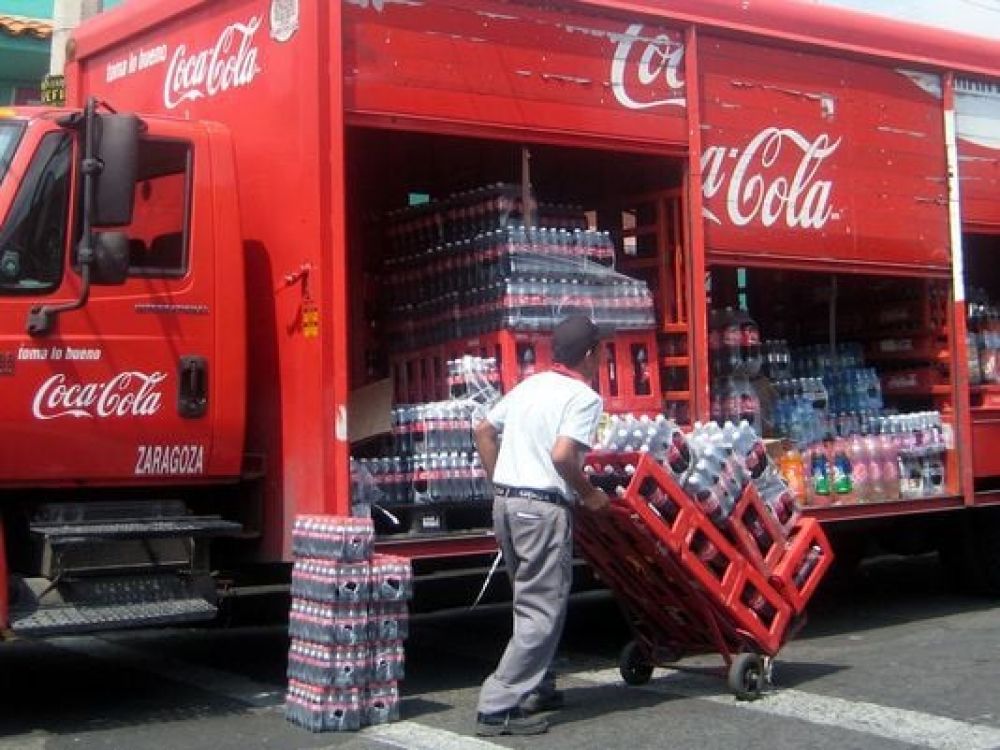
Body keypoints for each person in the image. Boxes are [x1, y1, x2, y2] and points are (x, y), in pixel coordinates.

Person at [474, 314, 612, 737]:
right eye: (602, 350)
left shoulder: (530, 385)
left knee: (528, 599)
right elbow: (563, 455)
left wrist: (501, 482)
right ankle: (497, 706)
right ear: (590, 354)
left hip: (508, 504)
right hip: (541, 508)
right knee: (541, 608)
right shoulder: (583, 397)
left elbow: (483, 430)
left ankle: (538, 686)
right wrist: (589, 494)